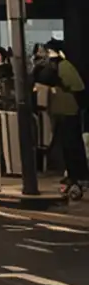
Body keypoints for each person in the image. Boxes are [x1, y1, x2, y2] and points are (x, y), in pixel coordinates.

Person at [37, 41, 89, 190]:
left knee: (71, 144)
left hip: (67, 110)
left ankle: (77, 176)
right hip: (62, 110)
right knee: (67, 145)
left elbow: (77, 88)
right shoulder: (60, 66)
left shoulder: (63, 66)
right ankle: (74, 175)